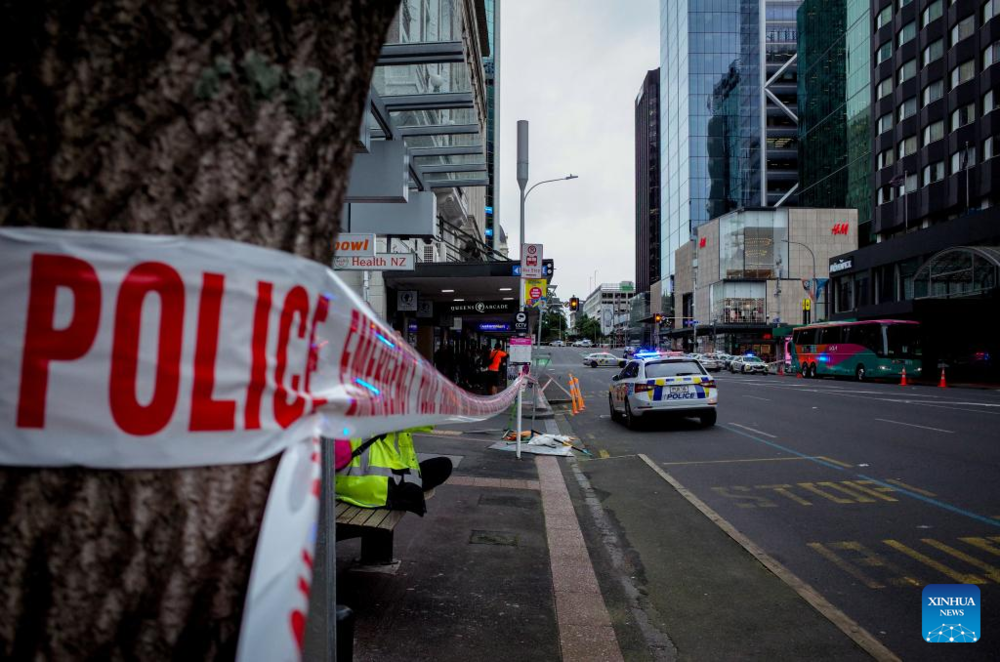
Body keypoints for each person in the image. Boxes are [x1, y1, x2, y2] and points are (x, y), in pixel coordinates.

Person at [335, 427, 453, 516]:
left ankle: (409, 487)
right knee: (443, 465)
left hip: (342, 484)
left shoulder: (348, 413)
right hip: (379, 488)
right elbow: (426, 422)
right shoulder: (393, 412)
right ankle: (407, 490)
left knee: (441, 465)